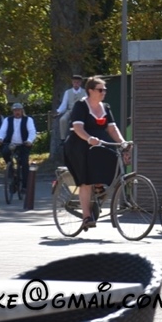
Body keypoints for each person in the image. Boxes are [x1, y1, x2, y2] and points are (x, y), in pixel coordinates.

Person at [63, 76, 127, 230]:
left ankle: (99, 185)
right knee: (85, 181)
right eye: (100, 90)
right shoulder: (80, 106)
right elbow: (78, 128)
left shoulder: (106, 107)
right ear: (90, 90)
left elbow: (112, 128)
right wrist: (89, 138)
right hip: (79, 144)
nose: (103, 92)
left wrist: (123, 142)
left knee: (112, 157)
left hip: (99, 143)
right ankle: (86, 217)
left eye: (105, 90)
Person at [0, 102, 36, 193]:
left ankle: (25, 186)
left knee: (24, 163)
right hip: (11, 144)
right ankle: (11, 170)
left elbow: (32, 131)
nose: (17, 112)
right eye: (15, 111)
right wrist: (0, 138)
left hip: (23, 144)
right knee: (5, 152)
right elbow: (2, 131)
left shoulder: (28, 120)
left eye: (18, 110)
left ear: (22, 111)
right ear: (12, 111)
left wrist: (29, 140)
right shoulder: (8, 120)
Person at [56, 75, 86, 142]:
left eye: (78, 82)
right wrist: (58, 111)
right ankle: (63, 138)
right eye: (74, 82)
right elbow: (64, 104)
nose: (76, 84)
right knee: (62, 120)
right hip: (70, 110)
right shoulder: (68, 92)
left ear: (80, 83)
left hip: (81, 111)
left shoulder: (84, 92)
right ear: (72, 82)